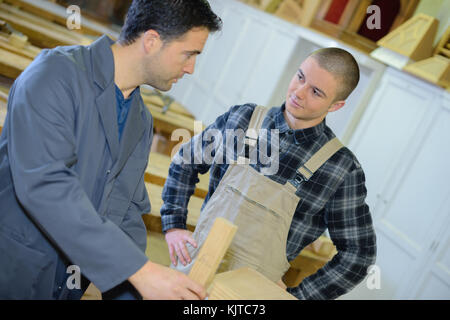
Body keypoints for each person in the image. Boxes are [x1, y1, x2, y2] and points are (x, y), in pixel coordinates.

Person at [0, 0, 221, 300]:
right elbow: (46, 185)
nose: (191, 68)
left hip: (64, 284)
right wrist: (140, 271)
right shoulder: (56, 75)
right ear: (152, 41)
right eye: (189, 53)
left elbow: (125, 213)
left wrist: (137, 290)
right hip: (13, 270)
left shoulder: (140, 120)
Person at [161, 47, 377, 300]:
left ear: (336, 105)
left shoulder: (341, 168)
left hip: (251, 297)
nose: (299, 92)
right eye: (300, 77)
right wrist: (173, 224)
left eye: (316, 92)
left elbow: (359, 254)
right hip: (191, 274)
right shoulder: (241, 119)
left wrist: (300, 295)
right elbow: (186, 161)